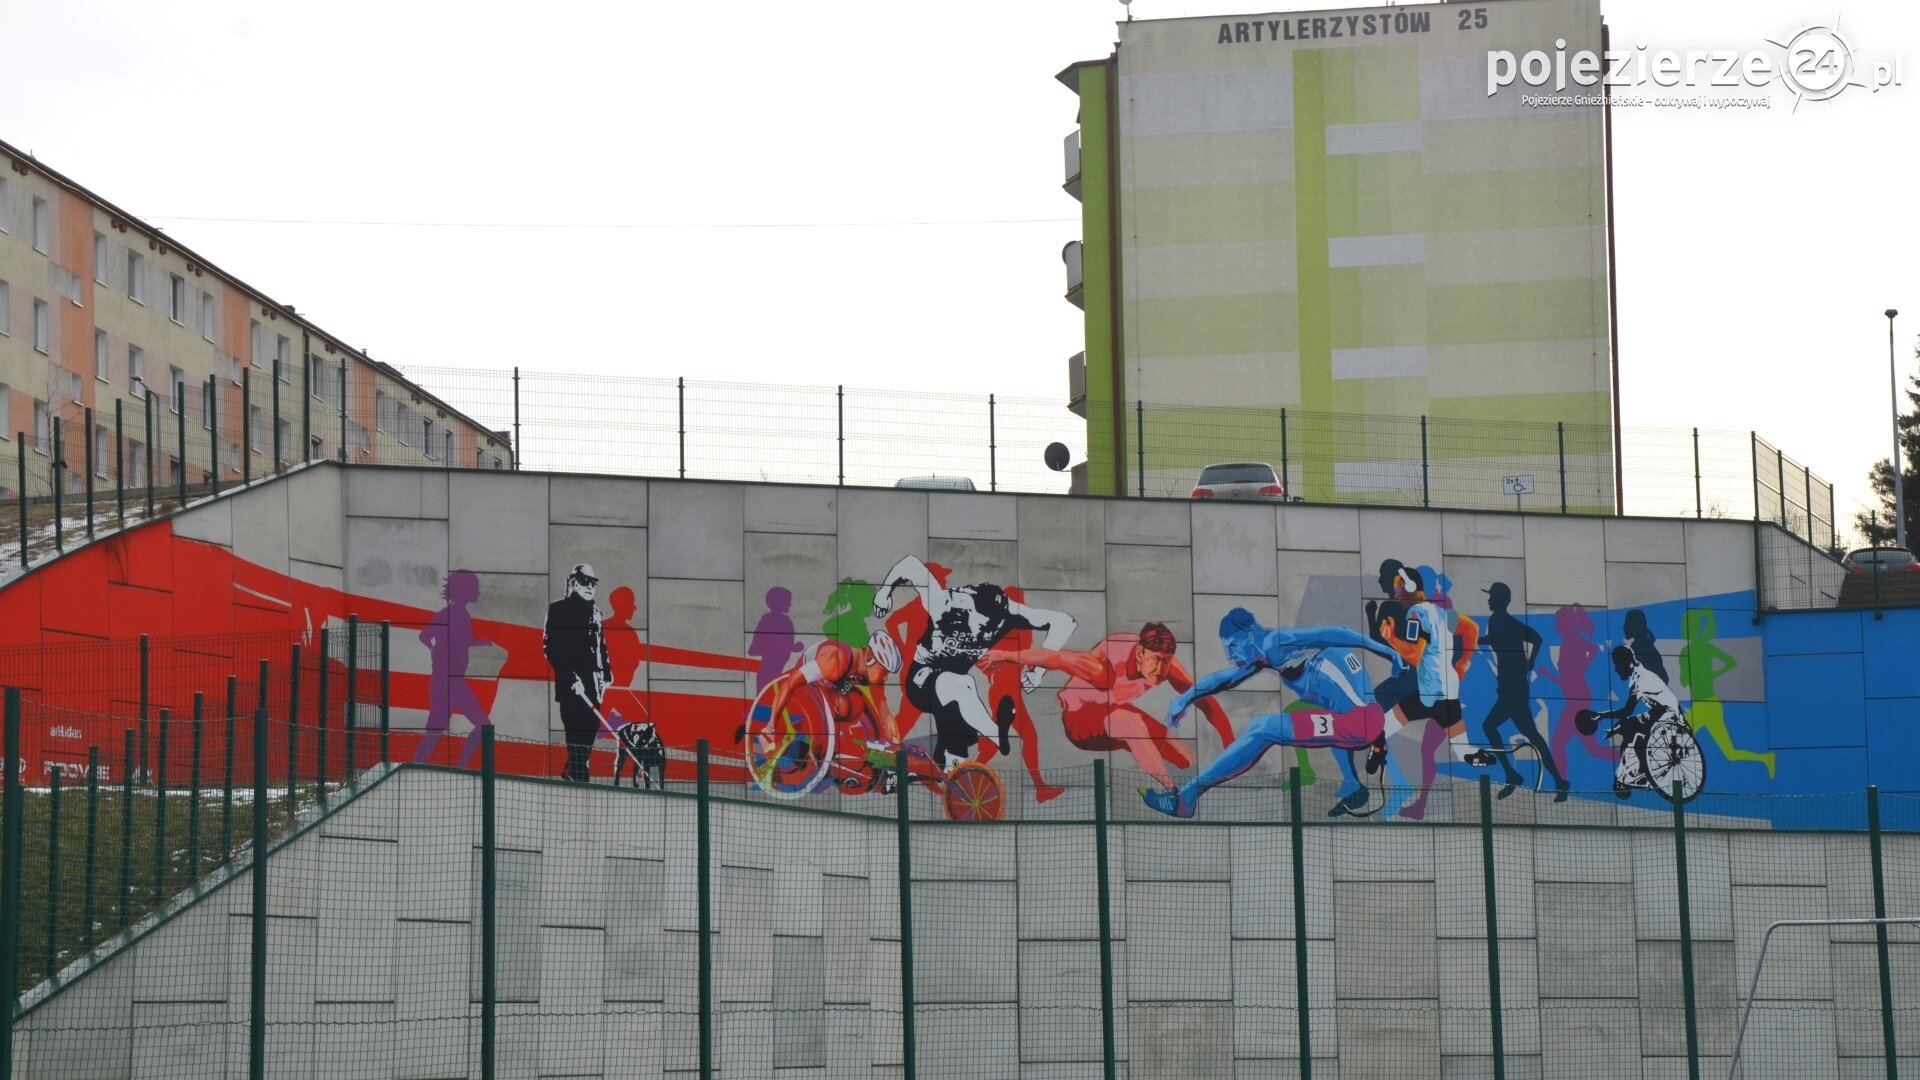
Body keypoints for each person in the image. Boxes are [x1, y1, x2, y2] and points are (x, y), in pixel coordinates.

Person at [1142, 608, 1405, 819]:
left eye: (1232, 646)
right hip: (1356, 720)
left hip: (1361, 721)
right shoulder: (1265, 655)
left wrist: (1388, 652)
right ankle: (1354, 785)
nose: (1231, 655)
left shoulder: (1274, 643)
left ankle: (1186, 799)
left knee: (1262, 728)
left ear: (1249, 636)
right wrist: (1185, 698)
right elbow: (1224, 679)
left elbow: (1339, 632)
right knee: (1321, 714)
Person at [869, 554, 1075, 768]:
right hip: (921, 682)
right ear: (969, 609)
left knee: (960, 696)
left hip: (954, 690)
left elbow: (1064, 622)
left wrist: (1038, 671)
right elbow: (910, 565)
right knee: (959, 682)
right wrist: (884, 593)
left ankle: (954, 757)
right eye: (982, 626)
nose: (985, 632)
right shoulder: (944, 603)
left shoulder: (1008, 613)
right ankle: (994, 734)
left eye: (991, 627)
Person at [981, 622, 1234, 791]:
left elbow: (1206, 701)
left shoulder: (1169, 667)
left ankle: (1135, 744)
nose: (1160, 669)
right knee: (1131, 724)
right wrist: (1005, 656)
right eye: (1155, 660)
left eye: (1166, 662)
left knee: (1184, 759)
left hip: (1114, 714)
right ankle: (1171, 794)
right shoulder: (1104, 668)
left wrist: (1230, 742)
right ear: (1139, 653)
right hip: (1081, 720)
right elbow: (1055, 658)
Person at [1368, 561, 1478, 820]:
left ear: (1410, 586)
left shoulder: (1415, 614)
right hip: (1441, 688)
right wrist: (1462, 663)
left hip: (1424, 687)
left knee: (1381, 722)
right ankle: (1468, 755)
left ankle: (1393, 773)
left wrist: (1388, 635)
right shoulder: (1439, 612)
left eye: (1398, 587)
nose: (1395, 593)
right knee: (1446, 745)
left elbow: (1413, 655)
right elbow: (1470, 629)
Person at [752, 629, 905, 791]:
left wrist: (894, 746)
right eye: (883, 671)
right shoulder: (836, 660)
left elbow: (885, 714)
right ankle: (814, 752)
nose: (886, 677)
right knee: (840, 705)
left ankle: (822, 750)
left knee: (856, 703)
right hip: (803, 690)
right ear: (869, 657)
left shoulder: (868, 672)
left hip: (828, 688)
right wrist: (770, 727)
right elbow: (792, 682)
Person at [1468, 583, 1568, 800]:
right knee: (1531, 735)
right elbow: (1525, 639)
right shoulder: (1502, 621)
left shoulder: (1500, 620)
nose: (1489, 600)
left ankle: (1514, 774)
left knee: (1490, 726)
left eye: (1492, 597)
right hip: (1513, 687)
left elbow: (1533, 638)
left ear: (1500, 600)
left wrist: (1530, 662)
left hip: (1513, 689)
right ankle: (1558, 781)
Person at [413, 569, 496, 768]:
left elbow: (461, 641)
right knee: (481, 726)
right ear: (464, 591)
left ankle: (451, 766)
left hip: (452, 681)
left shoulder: (459, 615)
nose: (478, 592)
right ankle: (454, 766)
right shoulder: (451, 614)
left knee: (437, 731)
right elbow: (425, 636)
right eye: (474, 588)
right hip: (447, 682)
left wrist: (480, 642)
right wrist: (436, 650)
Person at [1677, 609, 1775, 777]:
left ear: (1691, 629)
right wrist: (1708, 674)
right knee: (1729, 753)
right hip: (1706, 705)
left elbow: (1684, 680)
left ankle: (1766, 758)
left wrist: (1710, 674)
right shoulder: (1693, 650)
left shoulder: (1692, 650)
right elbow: (1728, 663)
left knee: (1679, 740)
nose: (1682, 630)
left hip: (1706, 706)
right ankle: (1765, 758)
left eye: (1685, 626)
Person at [1579, 645, 1684, 797]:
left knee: (1635, 737)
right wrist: (1616, 728)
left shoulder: (1641, 678)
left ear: (1627, 662)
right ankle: (1641, 771)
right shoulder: (1637, 675)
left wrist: (1602, 716)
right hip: (1659, 712)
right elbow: (1627, 716)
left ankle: (1645, 773)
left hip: (1668, 714)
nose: (1616, 670)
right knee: (1628, 730)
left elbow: (1627, 711)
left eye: (1617, 665)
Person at [544, 563, 611, 783]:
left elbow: (601, 646)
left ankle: (574, 770)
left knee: (590, 730)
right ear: (573, 583)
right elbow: (551, 648)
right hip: (572, 686)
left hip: (593, 685)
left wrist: (606, 675)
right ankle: (580, 777)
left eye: (593, 583)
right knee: (575, 732)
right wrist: (571, 677)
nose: (590, 586)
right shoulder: (558, 609)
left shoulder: (596, 612)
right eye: (585, 581)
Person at [1538, 604, 1613, 767]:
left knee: (1558, 741)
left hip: (1578, 700)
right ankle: (1630, 759)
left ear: (1564, 623)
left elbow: (1592, 650)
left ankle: (1561, 782)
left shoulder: (1572, 642)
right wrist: (1549, 674)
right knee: (1592, 749)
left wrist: (1581, 667)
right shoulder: (1568, 642)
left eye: (1558, 622)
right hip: (1577, 697)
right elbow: (1568, 679)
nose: (1556, 626)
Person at [749, 587, 806, 692]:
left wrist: (792, 647)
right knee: (770, 701)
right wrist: (789, 647)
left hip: (776, 675)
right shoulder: (769, 620)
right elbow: (753, 649)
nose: (790, 604)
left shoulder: (786, 621)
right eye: (787, 601)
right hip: (769, 676)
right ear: (779, 602)